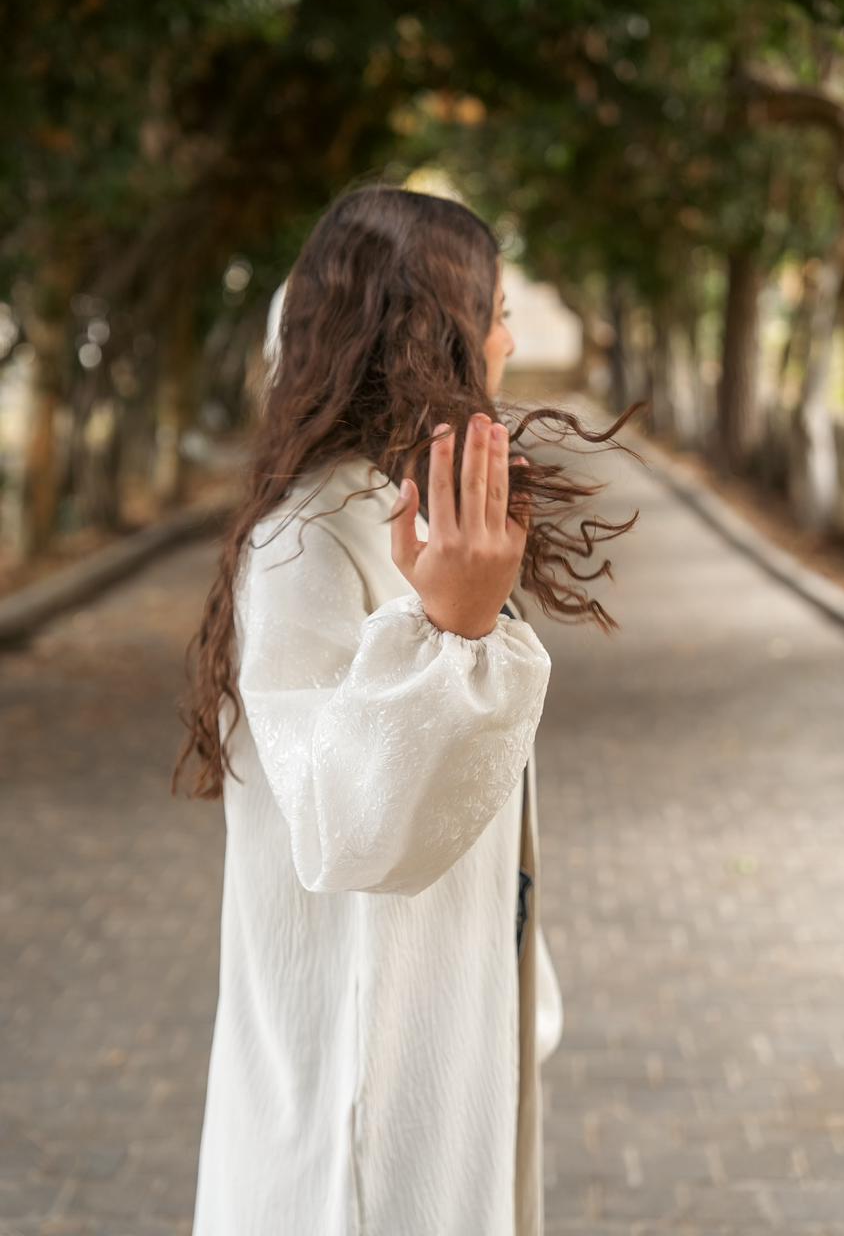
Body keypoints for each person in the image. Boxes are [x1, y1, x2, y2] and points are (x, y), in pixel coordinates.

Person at [172, 182, 641, 1235]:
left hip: (436, 1050)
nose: (511, 337)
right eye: (497, 309)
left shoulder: (400, 508)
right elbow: (353, 828)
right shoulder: (306, 541)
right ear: (434, 334)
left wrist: (515, 985)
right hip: (353, 1095)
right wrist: (454, 634)